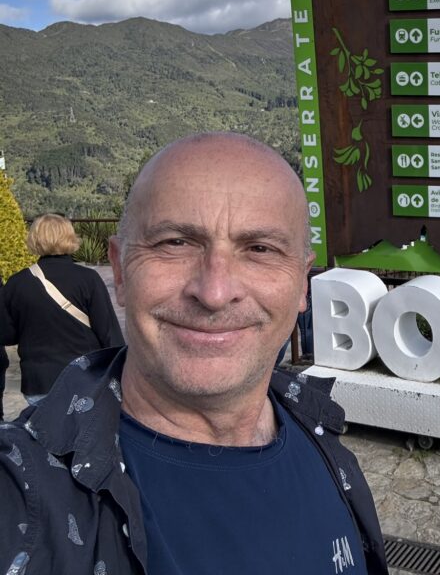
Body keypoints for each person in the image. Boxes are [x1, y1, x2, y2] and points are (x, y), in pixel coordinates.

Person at [0, 133, 386, 574]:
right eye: (175, 243)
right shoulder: (22, 498)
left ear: (302, 283)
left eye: (260, 249)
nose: (215, 292)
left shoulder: (322, 436)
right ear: (121, 270)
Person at [0, 213, 124, 405]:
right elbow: (108, 333)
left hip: (38, 383)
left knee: (45, 434)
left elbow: (6, 335)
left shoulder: (17, 283)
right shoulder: (88, 279)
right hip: (84, 379)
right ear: (69, 237)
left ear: (34, 238)